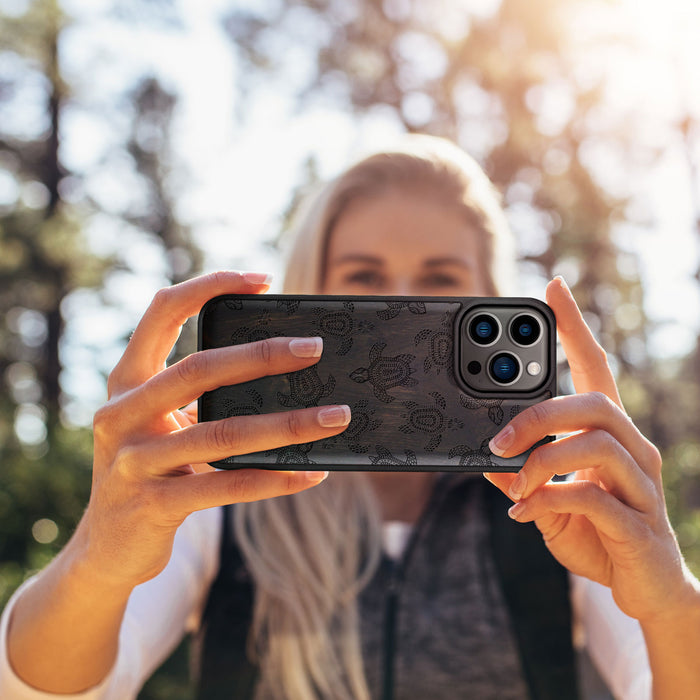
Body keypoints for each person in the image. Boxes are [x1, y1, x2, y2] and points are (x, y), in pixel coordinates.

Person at [1, 135, 699, 700]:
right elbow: (48, 690)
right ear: (311, 296)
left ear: (488, 298)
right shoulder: (222, 497)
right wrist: (99, 558)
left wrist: (670, 604)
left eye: (439, 282)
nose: (400, 312)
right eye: (364, 280)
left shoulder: (556, 502)